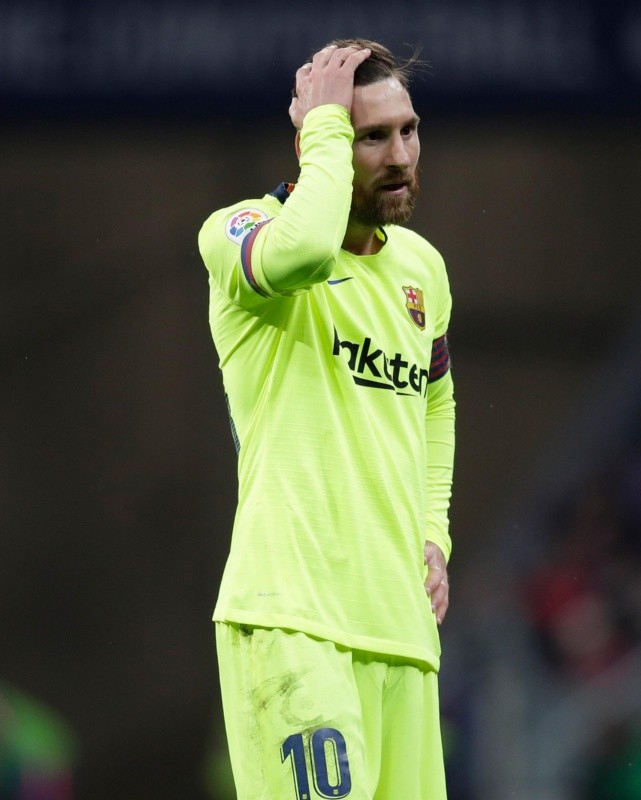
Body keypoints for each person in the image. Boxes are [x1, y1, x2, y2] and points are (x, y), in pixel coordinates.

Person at [197, 38, 456, 800]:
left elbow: (436, 399)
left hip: (402, 636)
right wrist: (325, 137)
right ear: (319, 142)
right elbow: (305, 252)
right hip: (292, 622)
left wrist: (433, 533)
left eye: (407, 130)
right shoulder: (239, 233)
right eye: (371, 135)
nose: (400, 154)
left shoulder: (422, 270)